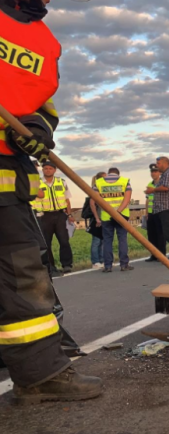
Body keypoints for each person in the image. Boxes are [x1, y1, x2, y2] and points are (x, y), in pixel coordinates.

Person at [0, 0, 102, 404]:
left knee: (25, 282)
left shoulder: (45, 43)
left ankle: (40, 376)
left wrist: (38, 128)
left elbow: (41, 103)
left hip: (8, 185)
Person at [32, 160, 75, 274]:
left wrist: (69, 214)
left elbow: (67, 199)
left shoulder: (62, 182)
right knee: (47, 243)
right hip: (45, 215)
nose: (48, 170)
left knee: (64, 241)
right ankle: (50, 266)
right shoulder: (38, 182)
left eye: (50, 168)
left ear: (55, 170)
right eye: (45, 168)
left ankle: (66, 264)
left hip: (60, 214)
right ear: (42, 170)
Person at [91, 167, 133, 273]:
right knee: (122, 239)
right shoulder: (124, 181)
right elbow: (127, 199)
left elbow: (96, 200)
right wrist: (118, 212)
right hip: (122, 215)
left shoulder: (99, 182)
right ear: (118, 173)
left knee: (107, 241)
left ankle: (108, 266)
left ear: (109, 173)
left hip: (106, 216)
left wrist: (109, 211)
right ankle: (124, 264)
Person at [147, 156, 169, 263]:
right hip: (163, 208)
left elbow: (165, 187)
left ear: (164, 163)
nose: (157, 166)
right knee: (166, 232)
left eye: (158, 163)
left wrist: (153, 190)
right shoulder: (165, 175)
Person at [81, 172, 105, 269]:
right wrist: (97, 218)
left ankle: (102, 260)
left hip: (103, 217)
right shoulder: (95, 189)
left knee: (103, 240)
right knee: (97, 241)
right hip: (97, 218)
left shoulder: (101, 188)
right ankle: (95, 261)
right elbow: (92, 204)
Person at [144, 163, 166, 262]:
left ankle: (161, 255)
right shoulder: (150, 184)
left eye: (155, 171)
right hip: (151, 212)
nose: (153, 173)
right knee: (151, 235)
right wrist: (146, 213)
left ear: (159, 173)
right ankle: (153, 254)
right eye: (152, 172)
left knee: (160, 234)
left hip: (160, 212)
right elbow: (147, 199)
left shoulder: (163, 184)